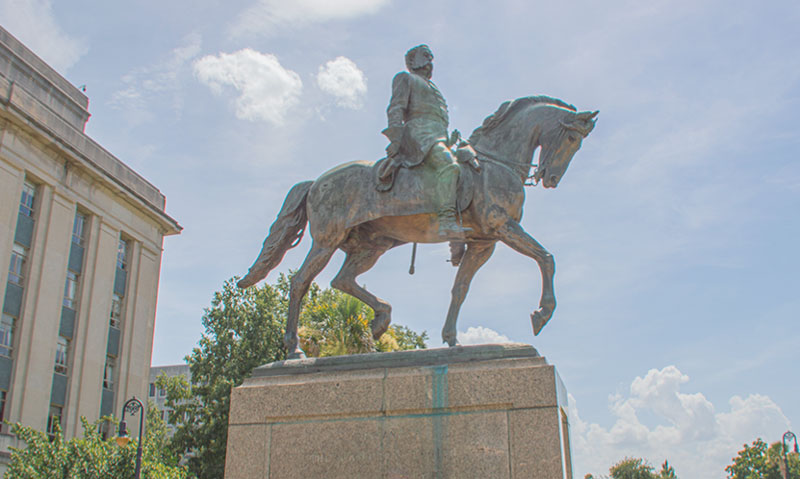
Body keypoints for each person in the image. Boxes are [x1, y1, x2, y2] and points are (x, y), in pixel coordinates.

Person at [382, 44, 471, 239]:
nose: (430, 62)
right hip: (418, 136)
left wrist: (449, 140)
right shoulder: (405, 78)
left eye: (431, 58)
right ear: (414, 61)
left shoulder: (434, 88)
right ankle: (446, 222)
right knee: (450, 166)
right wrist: (397, 139)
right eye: (426, 57)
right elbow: (395, 109)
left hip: (438, 138)